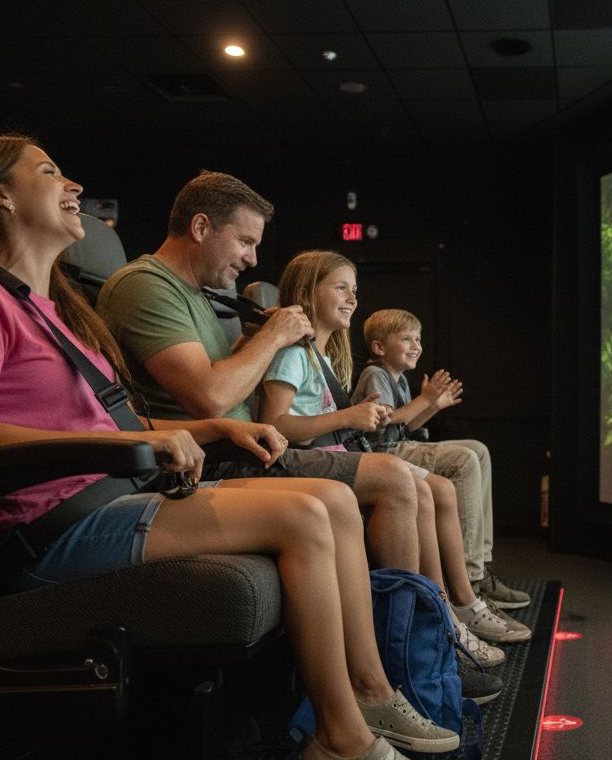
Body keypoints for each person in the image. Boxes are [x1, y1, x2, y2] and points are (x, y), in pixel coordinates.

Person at [0, 135, 458, 760]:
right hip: (55, 524)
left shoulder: (55, 312)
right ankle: (341, 738)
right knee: (307, 513)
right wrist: (166, 433)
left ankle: (368, 690)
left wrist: (213, 429)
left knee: (332, 499)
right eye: (49, 171)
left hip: (114, 495)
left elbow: (109, 428)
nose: (75, 188)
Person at [96, 171, 429, 577]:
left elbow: (221, 381)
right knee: (393, 477)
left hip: (243, 447)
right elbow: (210, 398)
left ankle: (428, 616)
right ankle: (417, 625)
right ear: (200, 227)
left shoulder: (197, 295)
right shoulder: (146, 285)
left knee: (411, 482)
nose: (252, 259)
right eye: (245, 241)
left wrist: (249, 341)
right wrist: (272, 337)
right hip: (209, 458)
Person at [260, 251, 531, 660]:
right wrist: (350, 415)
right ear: (306, 292)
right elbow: (274, 423)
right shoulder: (292, 354)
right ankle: (441, 620)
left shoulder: (324, 355)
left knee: (438, 489)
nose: (352, 297)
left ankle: (457, 606)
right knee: (417, 485)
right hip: (304, 458)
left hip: (332, 449)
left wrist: (358, 416)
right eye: (341, 287)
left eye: (355, 289)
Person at [352, 309, 530, 611]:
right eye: (406, 339)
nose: (415, 345)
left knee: (479, 450)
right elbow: (383, 423)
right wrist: (426, 399)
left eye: (418, 339)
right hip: (382, 456)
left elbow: (406, 425)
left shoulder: (400, 379)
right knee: (462, 459)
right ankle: (471, 578)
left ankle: (481, 565)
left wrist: (434, 404)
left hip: (399, 446)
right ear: (379, 348)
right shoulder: (375, 374)